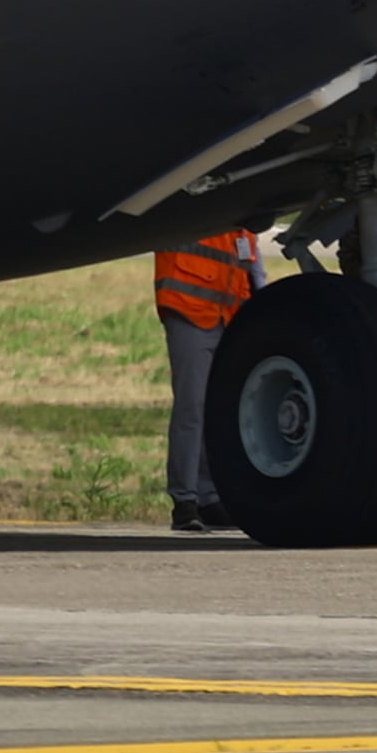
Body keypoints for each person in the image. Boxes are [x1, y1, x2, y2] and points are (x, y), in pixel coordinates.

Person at [152, 225, 262, 531]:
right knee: (192, 407)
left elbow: (253, 273)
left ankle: (209, 497)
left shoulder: (243, 223)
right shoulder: (193, 206)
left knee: (215, 411)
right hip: (189, 311)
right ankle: (185, 501)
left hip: (226, 317)